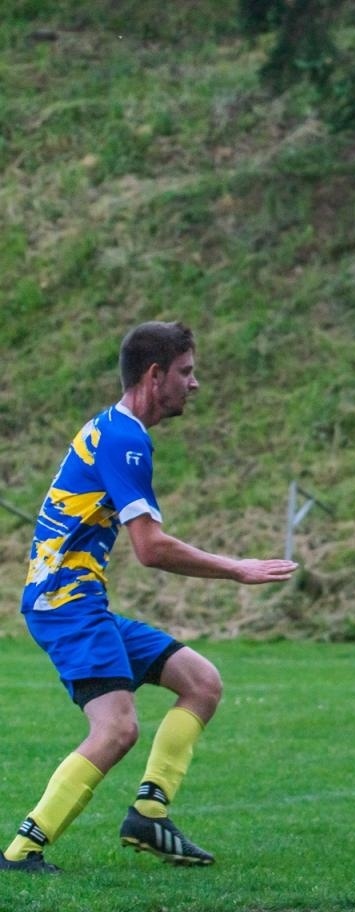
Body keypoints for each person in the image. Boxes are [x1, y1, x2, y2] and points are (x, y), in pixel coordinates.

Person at [1, 321, 297, 874]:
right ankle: (22, 851)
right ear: (155, 375)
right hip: (65, 605)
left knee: (200, 682)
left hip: (80, 602)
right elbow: (151, 548)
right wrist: (237, 569)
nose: (196, 383)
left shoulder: (119, 431)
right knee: (116, 729)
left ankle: (148, 814)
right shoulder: (125, 438)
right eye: (186, 372)